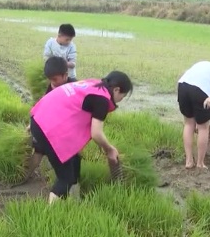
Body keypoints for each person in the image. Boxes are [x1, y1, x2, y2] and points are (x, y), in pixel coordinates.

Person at [29, 71, 133, 204]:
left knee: (75, 159)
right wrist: (109, 149)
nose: (120, 100)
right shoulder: (102, 99)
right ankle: (51, 216)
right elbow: (96, 133)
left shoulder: (93, 83)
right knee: (65, 178)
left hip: (39, 118)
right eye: (122, 97)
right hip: (48, 130)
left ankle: (75, 200)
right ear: (117, 89)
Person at [22, 56, 77, 184]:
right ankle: (25, 176)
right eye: (50, 79)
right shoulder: (51, 86)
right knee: (38, 151)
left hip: (64, 130)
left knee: (68, 158)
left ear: (65, 75)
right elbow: (44, 105)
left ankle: (67, 182)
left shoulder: (73, 87)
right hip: (48, 126)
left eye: (55, 79)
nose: (52, 82)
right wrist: (32, 124)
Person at [178, 61, 210, 169]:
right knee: (203, 128)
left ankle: (189, 161)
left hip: (182, 86)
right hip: (200, 90)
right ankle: (200, 164)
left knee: (188, 123)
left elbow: (184, 76)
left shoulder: (204, 64)